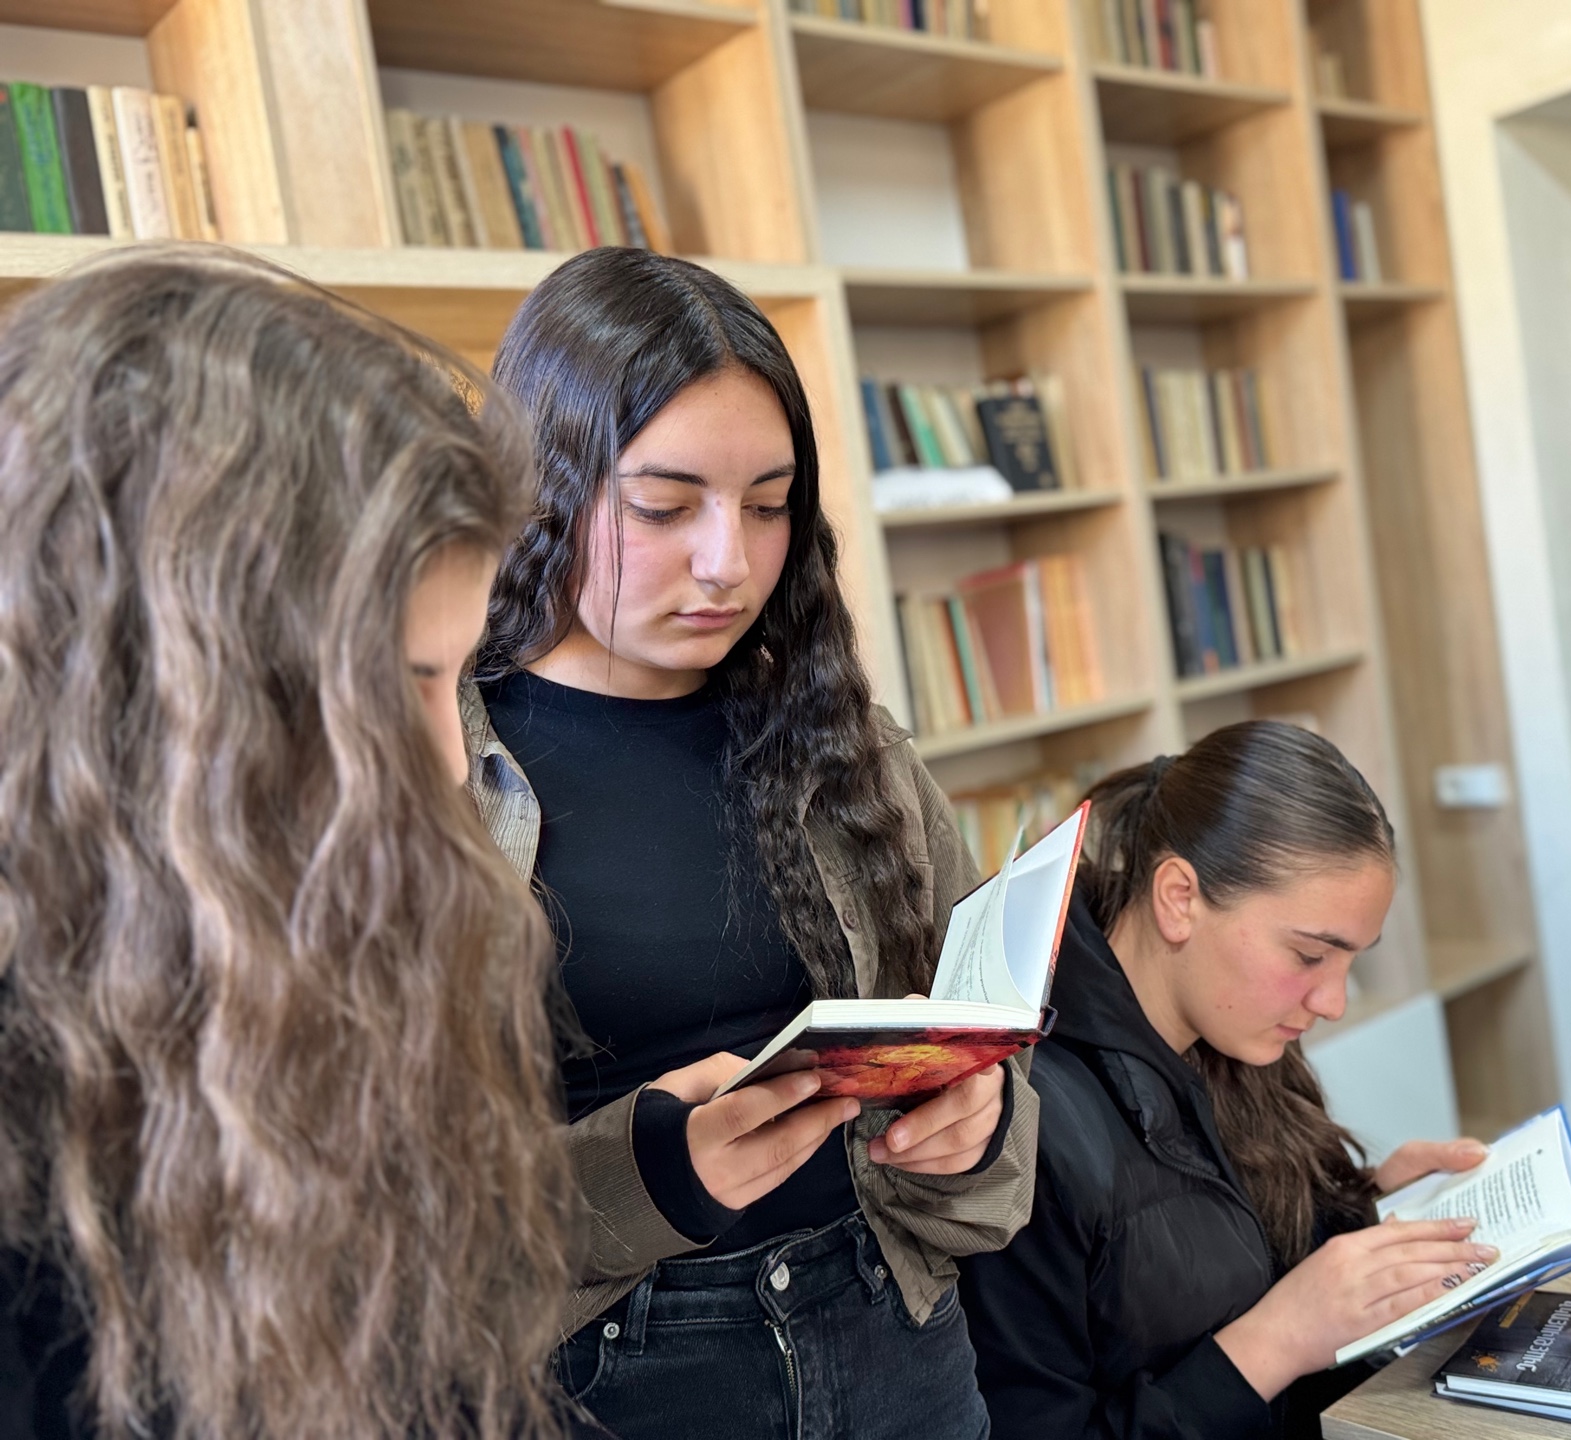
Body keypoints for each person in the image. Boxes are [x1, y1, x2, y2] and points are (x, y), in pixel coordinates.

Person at [0, 249, 578, 1439]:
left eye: (457, 678)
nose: (447, 763)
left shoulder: (315, 950)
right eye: (400, 686)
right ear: (179, 692)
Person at [471, 247, 1038, 1439]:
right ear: (540, 488)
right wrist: (650, 1176)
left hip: (889, 1329)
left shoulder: (842, 740)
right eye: (664, 507)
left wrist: (977, 1122)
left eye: (770, 504)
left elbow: (987, 1036)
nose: (728, 562)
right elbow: (368, 1200)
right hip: (601, 1376)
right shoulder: (439, 764)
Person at [959, 721, 1495, 1440]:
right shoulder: (1018, 1124)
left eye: (1352, 961)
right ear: (1179, 898)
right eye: (1310, 956)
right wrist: (1275, 1342)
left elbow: (1240, 1250)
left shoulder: (1234, 1034)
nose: (1333, 1001)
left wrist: (1371, 1207)